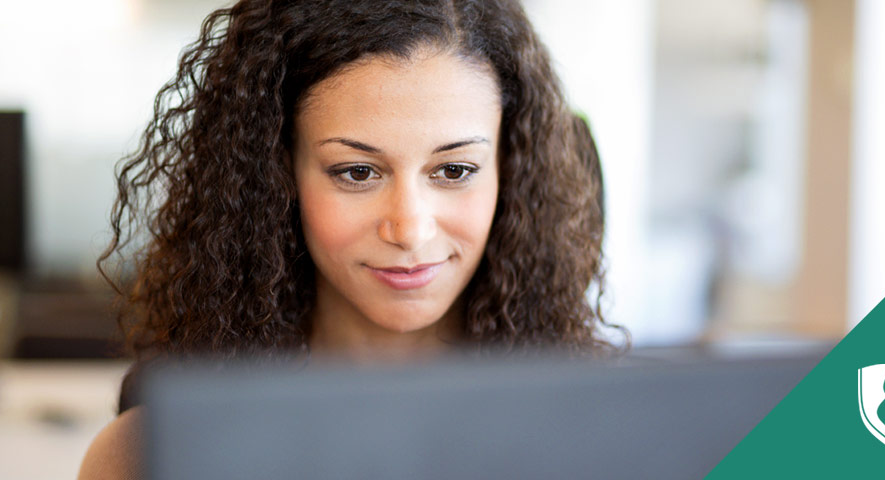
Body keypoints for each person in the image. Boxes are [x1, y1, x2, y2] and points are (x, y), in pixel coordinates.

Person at [79, 0, 627, 477]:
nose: (410, 228)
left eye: (455, 170)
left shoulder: (609, 433)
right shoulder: (149, 455)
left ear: (510, 170)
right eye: (357, 172)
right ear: (275, 175)